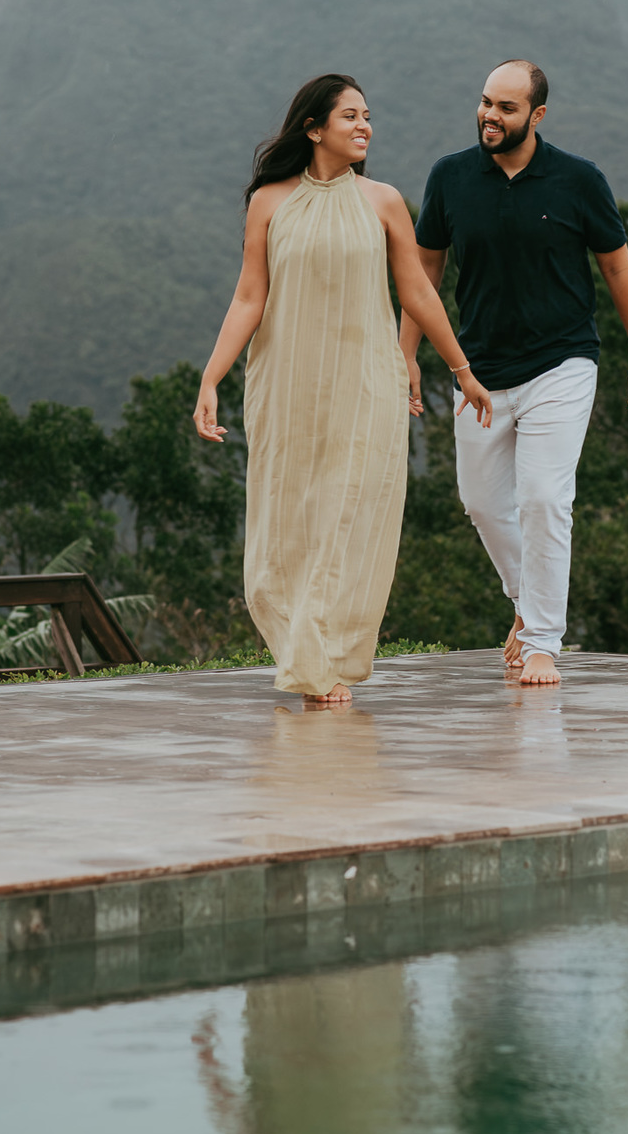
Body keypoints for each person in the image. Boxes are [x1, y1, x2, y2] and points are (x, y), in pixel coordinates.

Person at [194, 73, 493, 705]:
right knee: (287, 515)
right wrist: (211, 376)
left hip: (366, 381)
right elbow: (251, 295)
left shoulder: (383, 201)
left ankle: (320, 662)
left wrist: (461, 370)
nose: (365, 127)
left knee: (349, 512)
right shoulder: (269, 203)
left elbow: (417, 290)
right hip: (287, 383)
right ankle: (306, 654)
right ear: (314, 127)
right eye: (350, 116)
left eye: (367, 117)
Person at [399, 59, 628, 688]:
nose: (490, 115)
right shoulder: (451, 177)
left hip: (562, 363)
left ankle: (543, 640)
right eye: (486, 102)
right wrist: (404, 353)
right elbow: (424, 275)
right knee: (483, 504)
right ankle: (526, 603)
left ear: (536, 116)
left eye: (506, 108)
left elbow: (618, 271)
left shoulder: (578, 180)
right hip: (478, 371)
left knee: (544, 499)